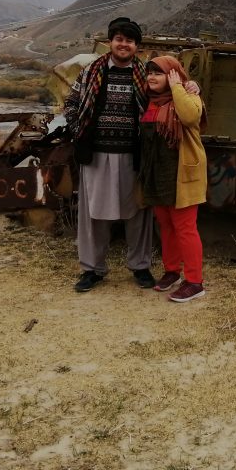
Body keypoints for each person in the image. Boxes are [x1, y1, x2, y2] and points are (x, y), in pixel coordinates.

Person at [63, 17, 156, 292]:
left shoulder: (145, 75)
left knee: (138, 212)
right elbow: (70, 102)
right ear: (110, 42)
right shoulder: (91, 71)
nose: (123, 44)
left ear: (136, 46)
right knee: (94, 215)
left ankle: (140, 266)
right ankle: (92, 269)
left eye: (129, 40)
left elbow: (165, 98)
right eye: (119, 39)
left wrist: (190, 87)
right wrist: (78, 128)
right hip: (96, 154)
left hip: (133, 155)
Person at [140, 55, 208, 302]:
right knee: (166, 225)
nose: (151, 77)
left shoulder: (189, 97)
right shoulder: (149, 101)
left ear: (173, 75)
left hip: (182, 174)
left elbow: (190, 117)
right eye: (149, 73)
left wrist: (180, 85)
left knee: (185, 228)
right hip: (158, 173)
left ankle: (195, 281)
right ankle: (172, 271)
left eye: (159, 73)